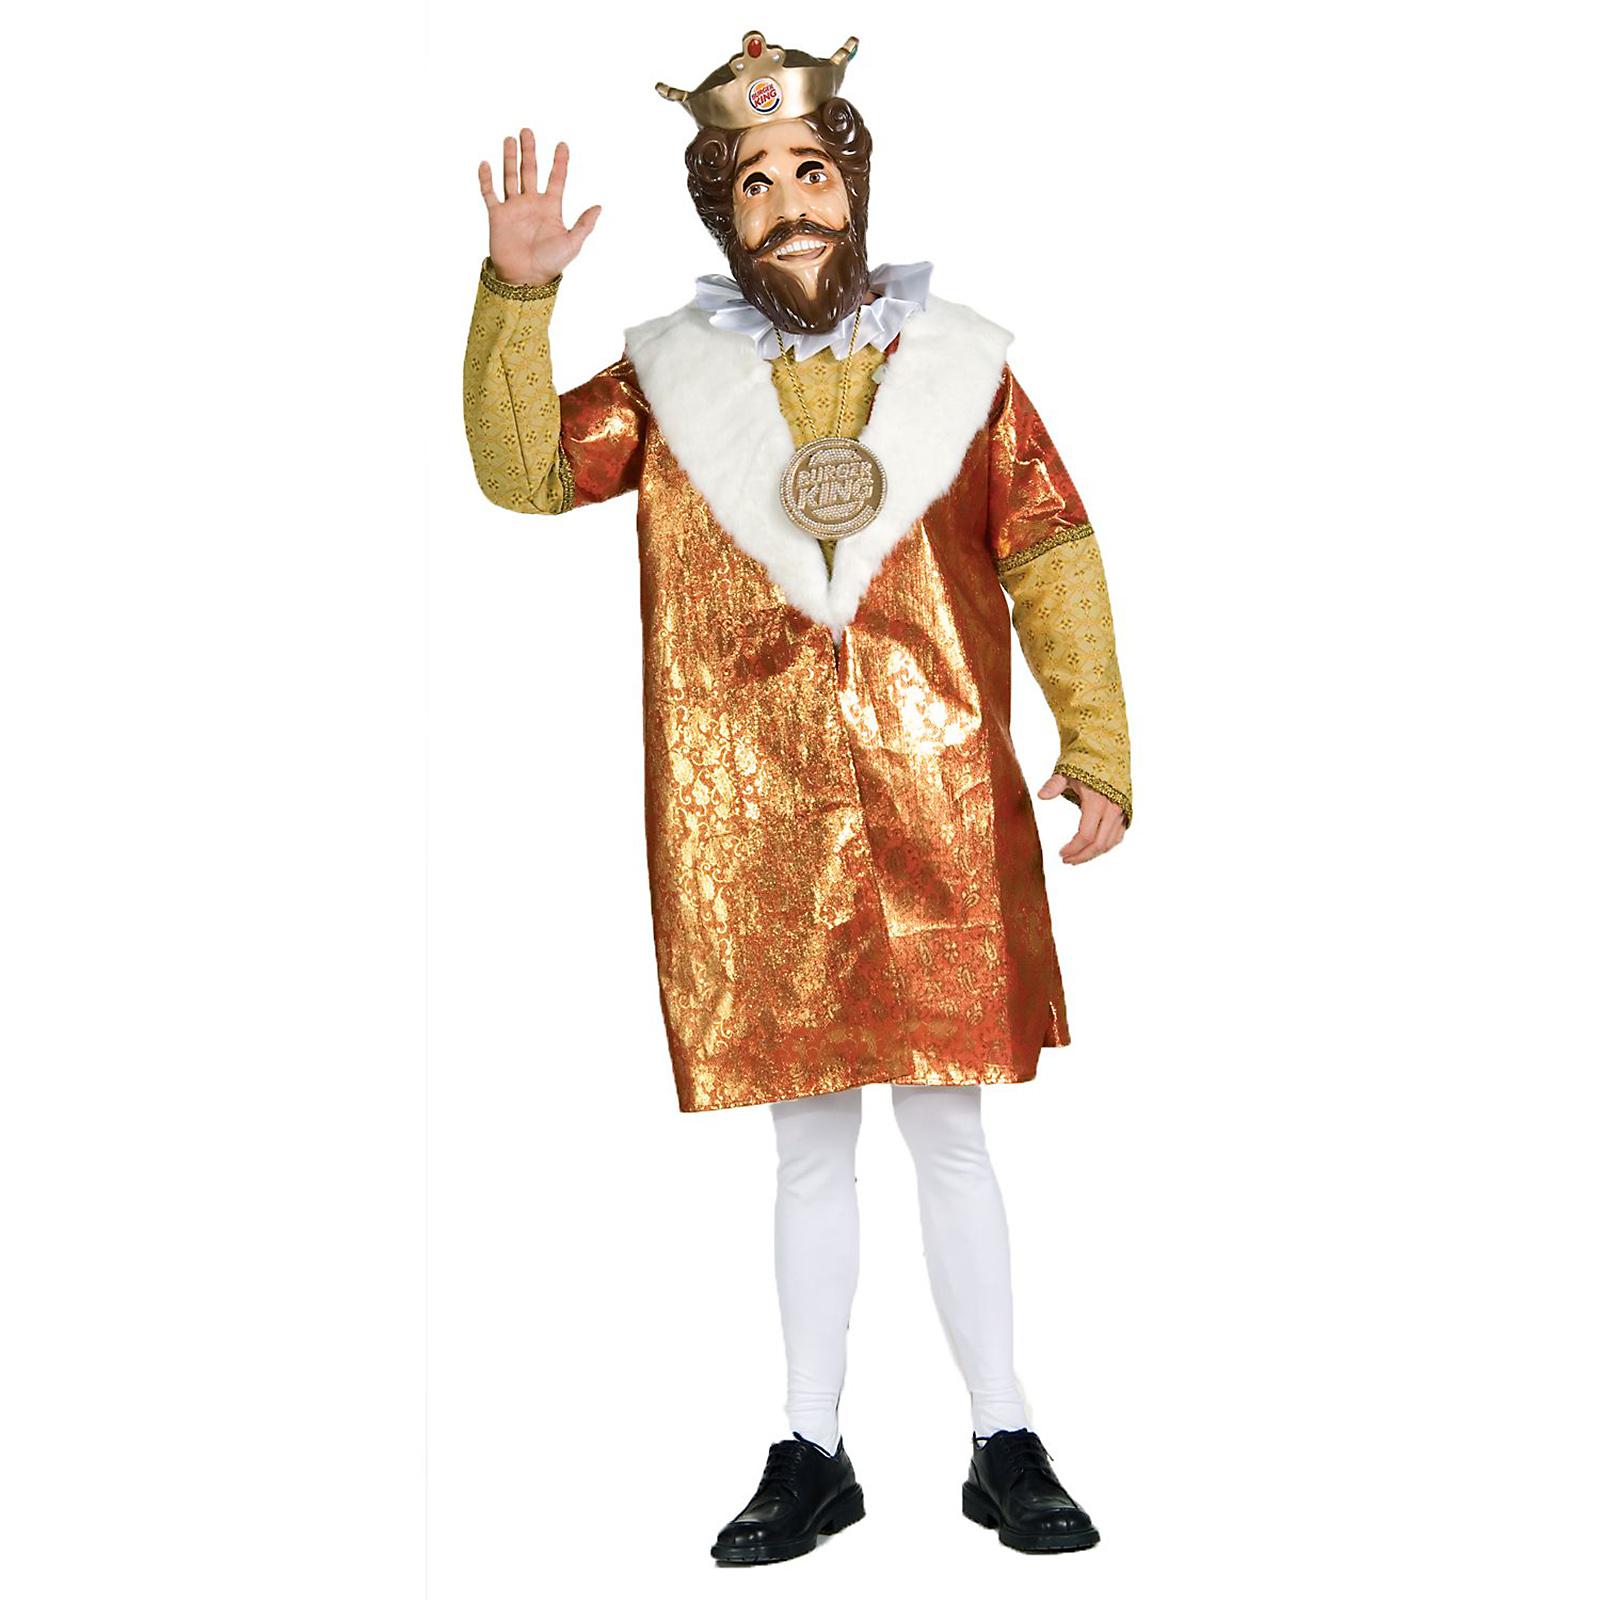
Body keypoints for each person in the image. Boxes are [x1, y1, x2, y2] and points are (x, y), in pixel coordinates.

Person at [462, 29, 1133, 1565]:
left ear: (855, 184)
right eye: (754, 183)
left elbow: (1049, 548)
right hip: (754, 815)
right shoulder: (670, 380)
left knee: (951, 1129)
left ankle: (1004, 1436)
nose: (789, 204)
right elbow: (525, 472)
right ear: (724, 213)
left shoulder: (962, 366)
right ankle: (812, 1446)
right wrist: (515, 292)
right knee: (810, 1146)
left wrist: (1095, 743)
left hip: (936, 794)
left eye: (810, 170)